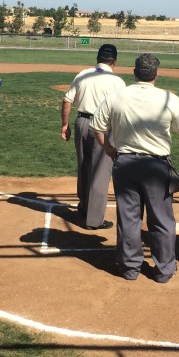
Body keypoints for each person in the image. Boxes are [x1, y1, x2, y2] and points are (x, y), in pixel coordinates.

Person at [91, 53, 179, 283]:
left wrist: (109, 150)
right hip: (156, 165)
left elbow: (97, 126)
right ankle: (164, 269)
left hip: (126, 163)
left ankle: (130, 267)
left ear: (134, 73)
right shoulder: (169, 99)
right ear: (156, 74)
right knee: (162, 219)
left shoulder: (117, 96)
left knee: (128, 217)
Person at [61, 43, 126, 230]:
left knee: (84, 166)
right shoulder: (117, 82)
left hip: (82, 123)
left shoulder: (83, 74)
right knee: (100, 172)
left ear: (97, 58)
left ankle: (83, 207)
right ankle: (94, 220)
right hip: (104, 128)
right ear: (113, 61)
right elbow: (121, 111)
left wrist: (65, 125)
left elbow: (67, 100)